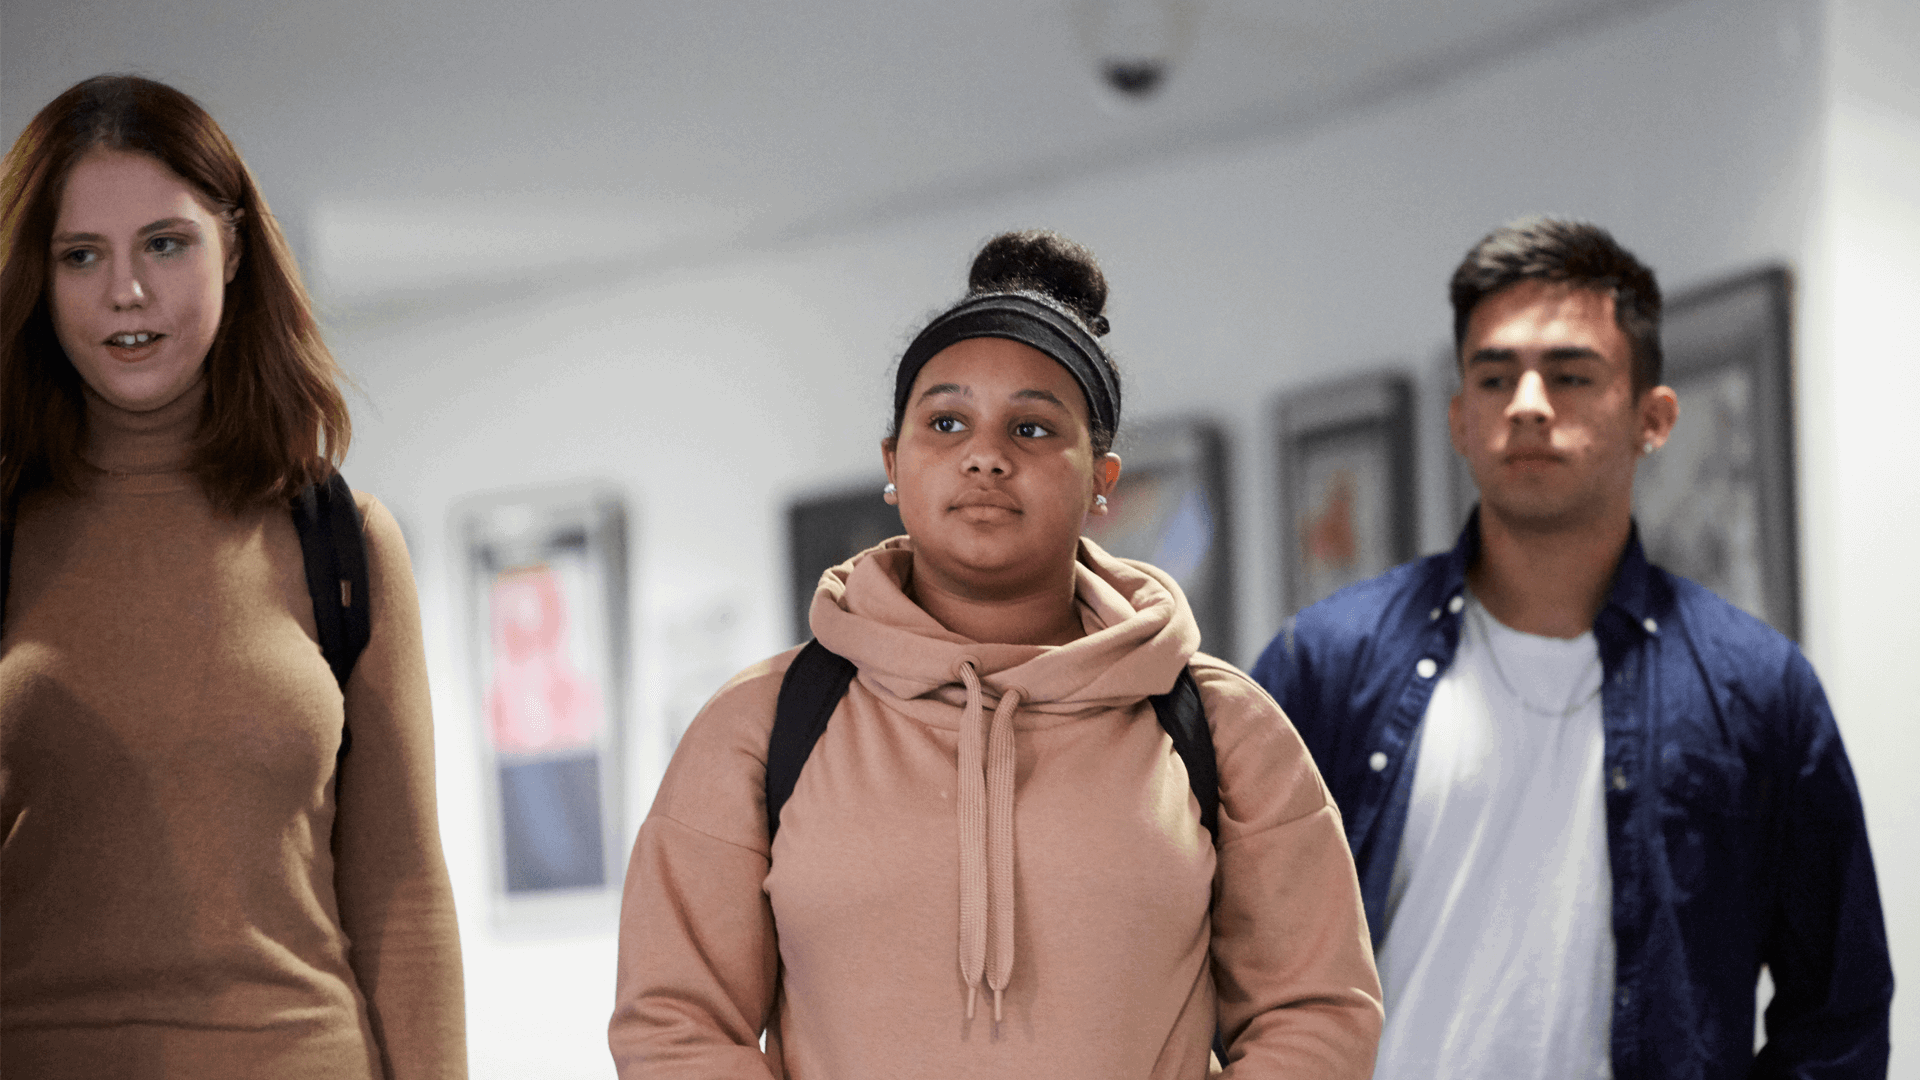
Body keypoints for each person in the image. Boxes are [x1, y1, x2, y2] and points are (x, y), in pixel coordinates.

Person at [610, 230, 1382, 1078]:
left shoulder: (1221, 726)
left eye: (1032, 427)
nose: (985, 454)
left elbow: (1314, 1013)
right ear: (893, 464)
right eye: (945, 422)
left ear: (1102, 480)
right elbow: (675, 1026)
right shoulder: (759, 726)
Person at [1252, 217, 1893, 1078]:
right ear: (1459, 419)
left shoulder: (1758, 689)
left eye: (1570, 374)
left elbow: (1839, 1013)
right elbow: (1216, 953)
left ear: (1653, 418)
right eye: (1493, 376)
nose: (1525, 403)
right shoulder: (1325, 663)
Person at [0, 75, 465, 1078]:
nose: (127, 291)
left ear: (235, 248)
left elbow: (405, 895)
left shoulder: (343, 543)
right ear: (37, 279)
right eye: (82, 255)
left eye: (165, 243)